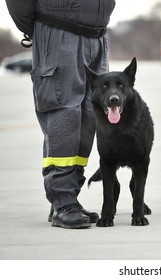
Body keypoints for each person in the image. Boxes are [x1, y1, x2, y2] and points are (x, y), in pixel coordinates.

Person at [5, 0, 116, 228]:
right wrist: (41, 26)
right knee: (63, 116)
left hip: (97, 37)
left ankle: (69, 196)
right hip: (59, 32)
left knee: (89, 118)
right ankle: (62, 202)